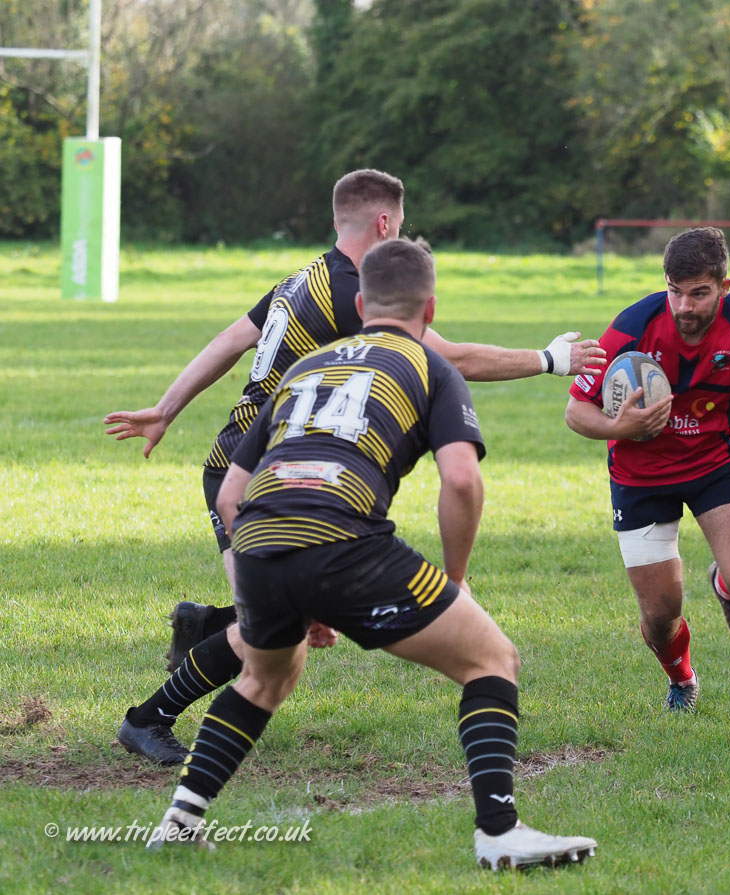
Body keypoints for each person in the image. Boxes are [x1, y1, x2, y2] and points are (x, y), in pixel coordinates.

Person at [106, 168, 605, 765]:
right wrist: (549, 359)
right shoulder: (349, 292)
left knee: (274, 618)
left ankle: (202, 631)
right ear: (386, 223)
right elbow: (444, 357)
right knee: (274, 632)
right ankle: (149, 716)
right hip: (262, 474)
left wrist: (167, 408)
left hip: (250, 462)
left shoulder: (306, 277)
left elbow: (230, 339)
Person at [146, 237, 596, 868]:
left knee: (264, 678)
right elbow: (462, 480)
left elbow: (232, 495)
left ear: (360, 302)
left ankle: (179, 820)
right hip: (342, 539)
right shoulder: (431, 368)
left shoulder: (308, 366)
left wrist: (290, 584)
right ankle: (500, 833)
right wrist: (457, 578)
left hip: (259, 540)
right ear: (430, 309)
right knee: (491, 658)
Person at [564, 227, 730, 712]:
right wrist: (622, 425)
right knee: (659, 615)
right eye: (675, 292)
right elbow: (576, 413)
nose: (684, 307)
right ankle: (682, 678)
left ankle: (726, 587)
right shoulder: (632, 326)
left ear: (724, 287)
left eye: (699, 294)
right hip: (640, 477)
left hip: (715, 465)